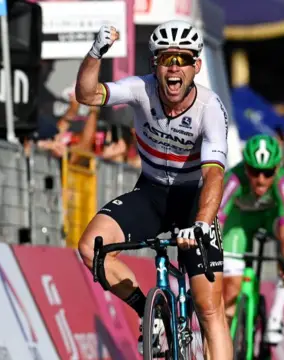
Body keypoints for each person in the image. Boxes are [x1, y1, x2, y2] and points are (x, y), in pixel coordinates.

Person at [74, 21, 232, 359]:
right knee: (91, 247)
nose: (174, 67)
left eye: (183, 59)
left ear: (196, 67)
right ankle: (151, 310)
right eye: (166, 59)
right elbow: (87, 95)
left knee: (209, 308)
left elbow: (214, 176)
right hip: (151, 192)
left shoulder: (210, 109)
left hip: (194, 201)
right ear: (154, 66)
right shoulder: (139, 90)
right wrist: (95, 52)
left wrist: (203, 224)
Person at [219, 134, 284, 345]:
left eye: (267, 172)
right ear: (246, 167)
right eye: (254, 172)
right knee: (230, 292)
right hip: (239, 224)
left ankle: (275, 315)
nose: (261, 179)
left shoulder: (282, 181)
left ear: (277, 168)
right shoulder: (234, 179)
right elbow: (217, 219)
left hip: (270, 220)